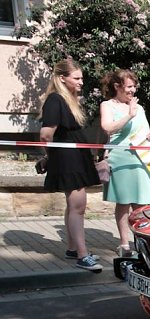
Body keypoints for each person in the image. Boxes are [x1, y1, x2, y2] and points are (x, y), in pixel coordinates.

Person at [38, 59, 102, 272]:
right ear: (62, 78)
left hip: (74, 156)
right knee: (78, 206)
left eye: (81, 77)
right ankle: (82, 255)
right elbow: (46, 134)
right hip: (68, 159)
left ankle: (73, 248)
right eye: (77, 78)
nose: (81, 82)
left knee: (74, 206)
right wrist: (50, 156)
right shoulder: (55, 100)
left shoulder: (67, 100)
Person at [99, 69, 150, 257]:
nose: (132, 90)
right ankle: (124, 244)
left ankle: (142, 243)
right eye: (129, 86)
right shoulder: (107, 105)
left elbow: (144, 131)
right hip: (120, 157)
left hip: (141, 157)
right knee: (123, 202)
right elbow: (107, 128)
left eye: (134, 86)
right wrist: (129, 114)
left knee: (142, 204)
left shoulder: (139, 107)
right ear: (117, 86)